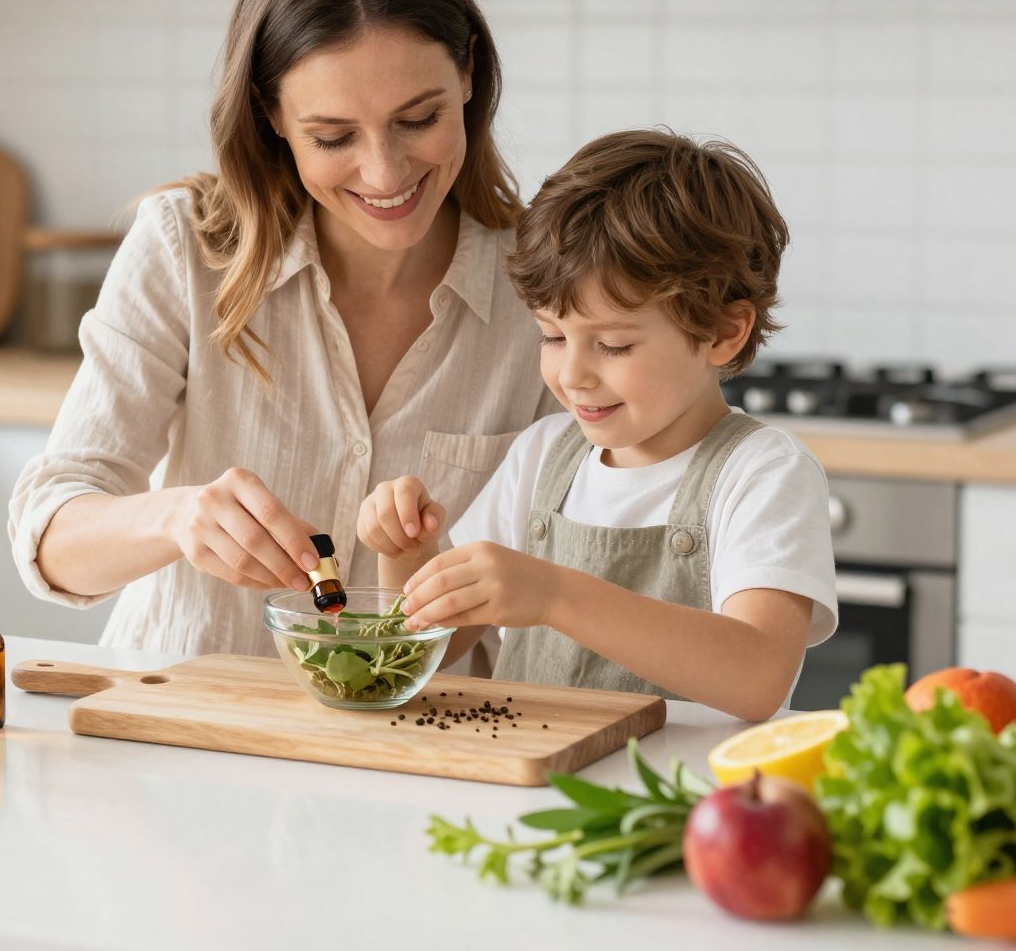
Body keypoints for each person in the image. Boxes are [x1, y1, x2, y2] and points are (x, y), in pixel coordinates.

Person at [9, 0, 550, 657]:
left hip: (426, 755)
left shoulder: (543, 286)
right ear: (271, 114)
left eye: (418, 119)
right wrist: (177, 519)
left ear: (467, 71)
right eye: (332, 136)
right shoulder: (184, 248)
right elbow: (50, 536)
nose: (385, 172)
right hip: (183, 737)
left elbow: (554, 587)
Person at [356, 129, 838, 721]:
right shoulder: (541, 456)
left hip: (686, 804)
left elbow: (758, 676)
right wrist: (410, 553)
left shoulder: (762, 472)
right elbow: (432, 647)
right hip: (532, 793)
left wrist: (555, 594)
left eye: (612, 345)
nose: (572, 374)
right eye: (553, 337)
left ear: (722, 332)